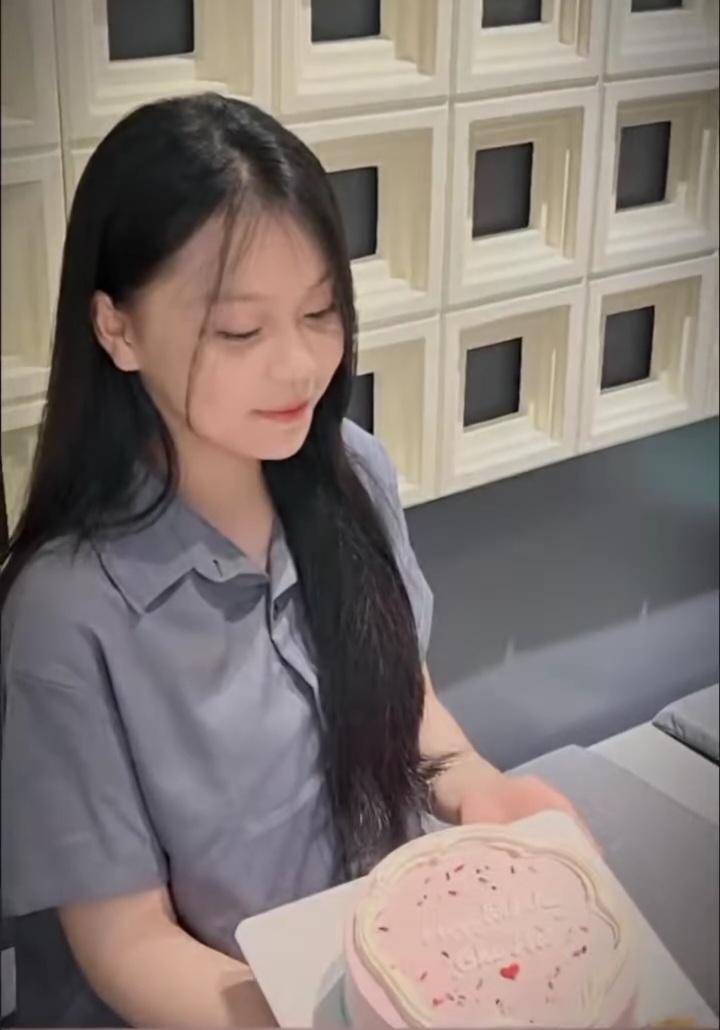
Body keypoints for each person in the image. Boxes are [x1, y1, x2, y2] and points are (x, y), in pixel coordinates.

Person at [0, 93, 587, 1029]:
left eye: (321, 312)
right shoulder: (67, 611)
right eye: (241, 331)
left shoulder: (353, 473)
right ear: (117, 328)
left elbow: (404, 709)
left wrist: (483, 788)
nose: (300, 367)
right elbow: (127, 948)